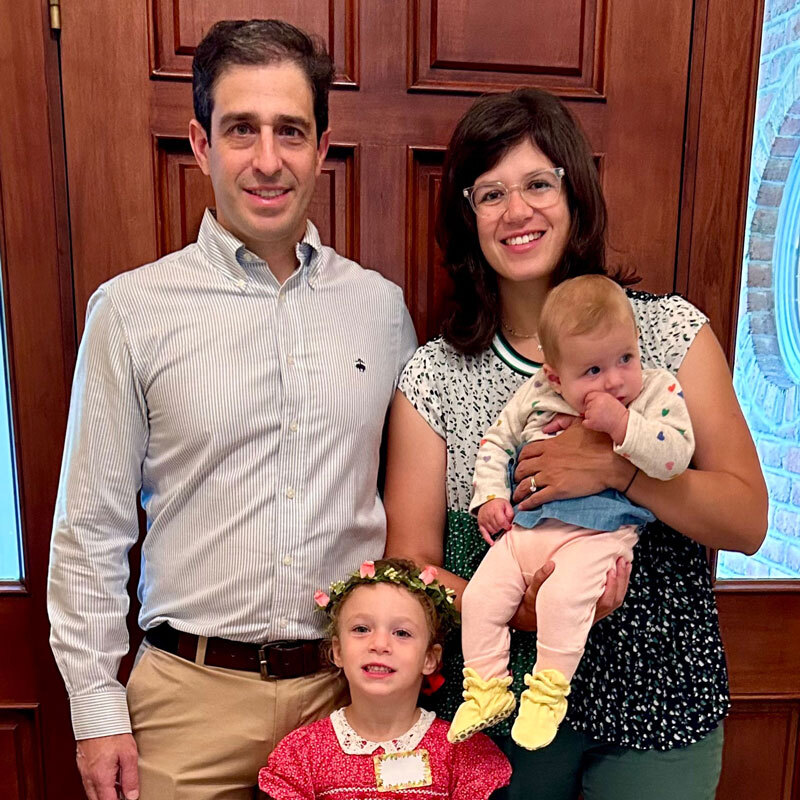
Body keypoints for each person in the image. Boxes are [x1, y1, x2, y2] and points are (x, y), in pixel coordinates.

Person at [47, 19, 416, 800]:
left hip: (347, 700)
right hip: (187, 704)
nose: (268, 159)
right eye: (241, 129)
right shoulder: (131, 312)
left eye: (291, 130)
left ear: (322, 146)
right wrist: (94, 705)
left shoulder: (381, 312)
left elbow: (408, 500)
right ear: (201, 144)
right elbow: (91, 528)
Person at [384, 87, 767, 800]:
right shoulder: (434, 375)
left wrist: (618, 473)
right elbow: (410, 566)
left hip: (661, 703)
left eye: (537, 183)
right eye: (490, 193)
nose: (517, 211)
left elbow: (747, 521)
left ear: (576, 194)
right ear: (468, 219)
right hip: (505, 716)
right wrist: (515, 604)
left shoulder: (669, 336)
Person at [449, 274, 694, 751]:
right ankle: (487, 689)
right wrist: (490, 497)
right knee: (480, 598)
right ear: (555, 374)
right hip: (529, 526)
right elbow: (497, 442)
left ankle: (546, 694)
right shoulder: (538, 392)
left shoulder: (655, 392)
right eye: (592, 371)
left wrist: (623, 427)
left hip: (600, 534)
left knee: (561, 599)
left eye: (625, 358)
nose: (615, 380)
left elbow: (675, 457)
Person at [257, 558, 511, 799]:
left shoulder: (462, 752)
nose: (379, 644)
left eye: (401, 632)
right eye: (361, 629)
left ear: (429, 659)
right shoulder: (303, 753)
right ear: (337, 651)